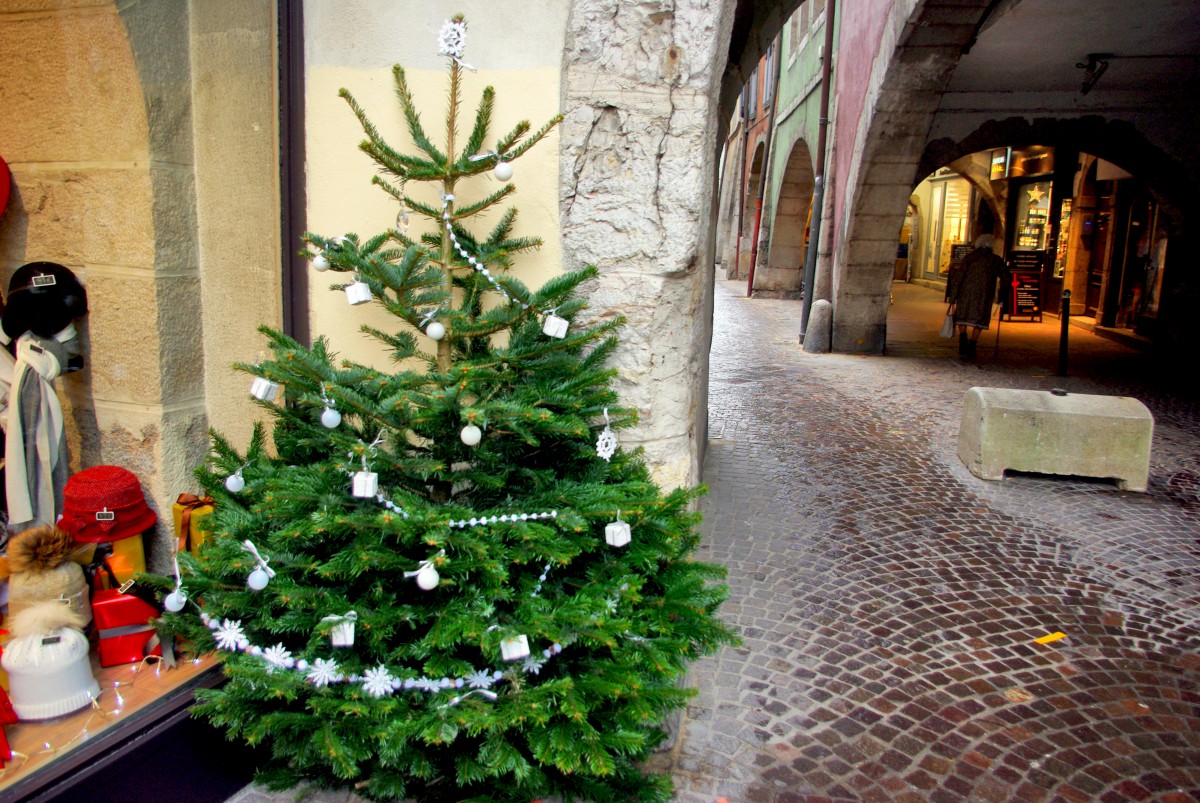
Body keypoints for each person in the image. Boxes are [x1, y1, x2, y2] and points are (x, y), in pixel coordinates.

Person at [947, 234, 1006, 361]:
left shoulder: (969, 257)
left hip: (966, 292)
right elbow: (1006, 276)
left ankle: (963, 336)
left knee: (962, 315)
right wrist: (1003, 294)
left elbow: (959, 276)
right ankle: (973, 342)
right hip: (984, 294)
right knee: (980, 318)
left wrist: (953, 295)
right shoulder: (995, 260)